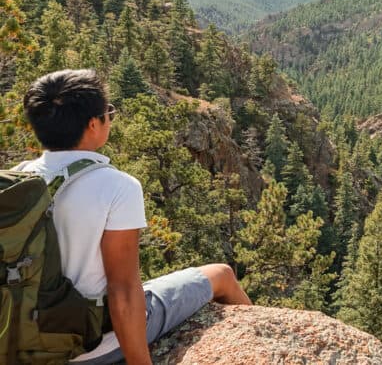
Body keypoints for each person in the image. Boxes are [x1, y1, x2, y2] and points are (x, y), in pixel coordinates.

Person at [15, 69, 251, 364]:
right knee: (222, 275)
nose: (110, 119)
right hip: (92, 347)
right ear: (92, 124)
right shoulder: (117, 187)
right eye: (108, 113)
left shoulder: (18, 181)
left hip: (23, 340)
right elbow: (123, 291)